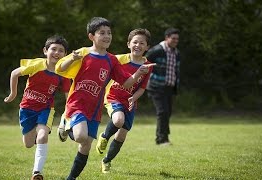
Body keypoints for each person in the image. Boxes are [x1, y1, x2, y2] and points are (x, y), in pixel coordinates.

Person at [55, 17, 152, 180]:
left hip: (95, 109)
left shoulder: (111, 60)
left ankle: (70, 178)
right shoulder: (83, 53)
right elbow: (59, 68)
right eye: (102, 33)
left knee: (85, 146)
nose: (107, 36)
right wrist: (72, 59)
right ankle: (66, 122)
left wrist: (137, 74)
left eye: (109, 33)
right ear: (91, 36)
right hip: (77, 103)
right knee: (80, 136)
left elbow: (127, 83)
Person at [4, 35, 70, 180]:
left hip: (46, 109)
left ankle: (36, 173)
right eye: (53, 49)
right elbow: (14, 73)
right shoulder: (37, 65)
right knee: (28, 144)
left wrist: (69, 113)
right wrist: (13, 94)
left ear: (65, 55)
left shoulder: (63, 74)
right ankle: (34, 136)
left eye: (61, 51)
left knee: (42, 136)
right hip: (27, 108)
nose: (57, 53)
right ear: (45, 51)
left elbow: (68, 96)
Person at [95, 28, 155, 173]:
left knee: (122, 135)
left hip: (130, 102)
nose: (138, 45)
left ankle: (106, 161)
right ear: (128, 44)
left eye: (142, 43)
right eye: (135, 42)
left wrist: (133, 99)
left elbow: (142, 88)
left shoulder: (147, 66)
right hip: (113, 97)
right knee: (118, 120)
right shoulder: (118, 59)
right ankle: (104, 136)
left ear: (147, 47)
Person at [145, 28, 180, 145]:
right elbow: (144, 62)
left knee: (168, 112)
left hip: (169, 87)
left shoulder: (176, 52)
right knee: (163, 112)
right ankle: (161, 139)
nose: (176, 41)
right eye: (173, 38)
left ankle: (164, 136)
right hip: (156, 86)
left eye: (177, 39)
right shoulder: (157, 50)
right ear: (167, 38)